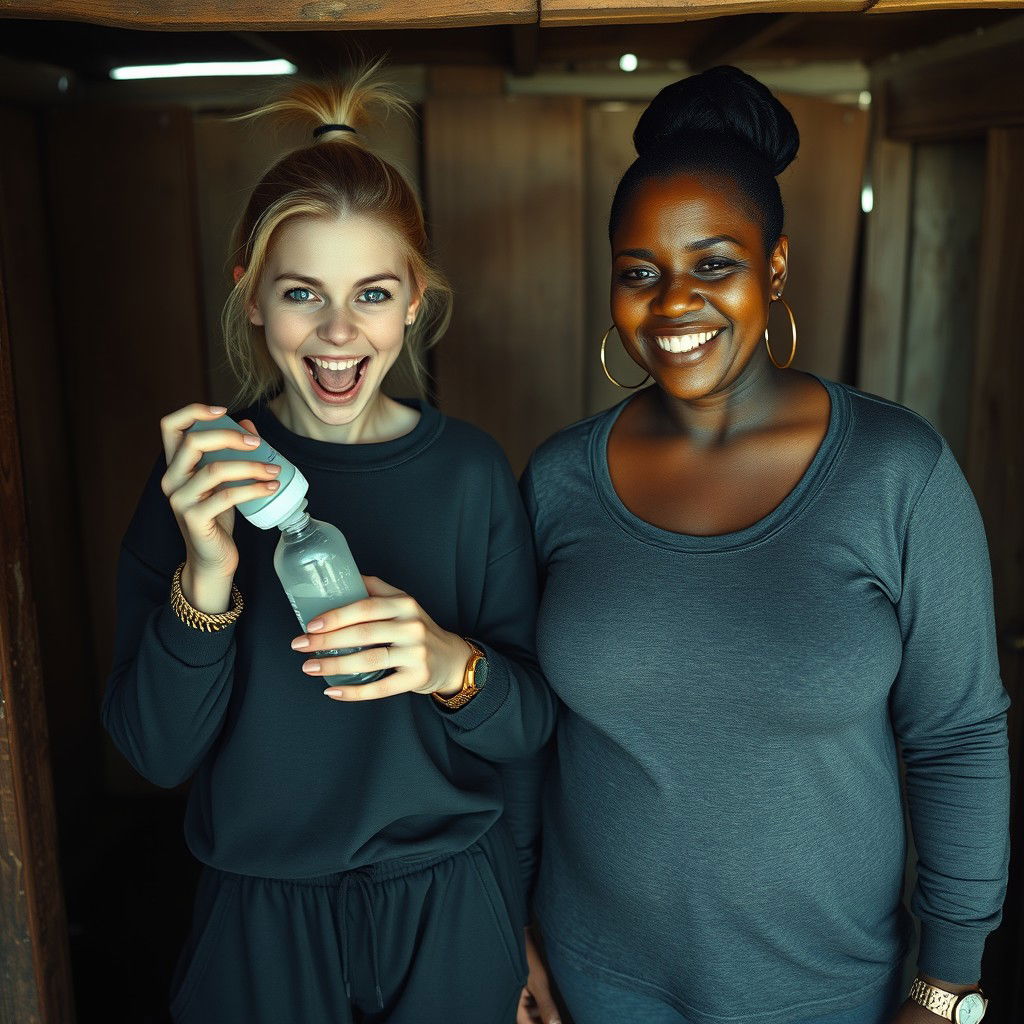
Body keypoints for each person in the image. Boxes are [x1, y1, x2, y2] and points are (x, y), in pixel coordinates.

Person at [515, 65, 1009, 1024]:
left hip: (826, 994)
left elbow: (958, 738)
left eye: (714, 264)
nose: (674, 303)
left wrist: (948, 982)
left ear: (774, 267)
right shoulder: (558, 482)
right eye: (640, 271)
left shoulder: (897, 474)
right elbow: (524, 734)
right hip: (592, 981)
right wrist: (513, 927)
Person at [102, 67, 553, 1024]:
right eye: (303, 292)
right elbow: (155, 752)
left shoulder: (472, 473)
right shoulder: (200, 478)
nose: (339, 332)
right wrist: (209, 574)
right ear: (252, 297)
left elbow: (531, 733)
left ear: (414, 303)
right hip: (258, 922)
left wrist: (448, 664)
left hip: (450, 906)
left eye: (373, 294)